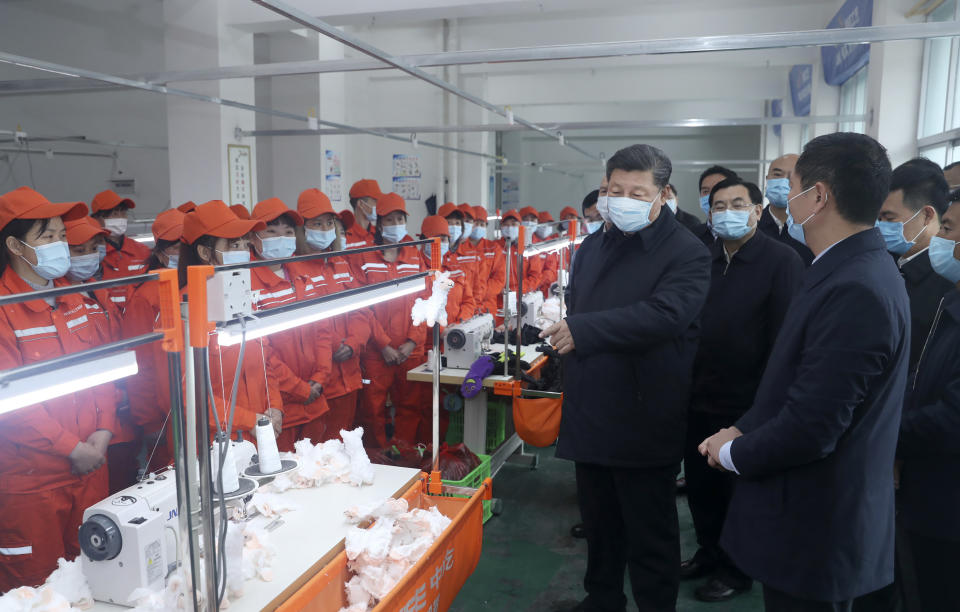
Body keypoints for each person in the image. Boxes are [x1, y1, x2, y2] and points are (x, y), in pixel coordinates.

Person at [700, 133, 909, 612]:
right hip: (810, 518)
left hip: (818, 523)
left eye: (791, 186)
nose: (787, 200)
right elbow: (800, 380)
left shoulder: (858, 288)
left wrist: (734, 452)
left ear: (817, 196)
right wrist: (743, 426)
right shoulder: (841, 268)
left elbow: (814, 426)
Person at [542, 144, 711, 612]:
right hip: (591, 405)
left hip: (643, 412)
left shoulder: (686, 253)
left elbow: (664, 316)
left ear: (661, 196)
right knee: (599, 522)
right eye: (615, 190)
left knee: (649, 530)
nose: (623, 199)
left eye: (637, 192)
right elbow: (580, 310)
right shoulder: (593, 246)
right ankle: (602, 599)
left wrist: (582, 331)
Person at [681, 177, 804, 602]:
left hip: (747, 401)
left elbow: (785, 341)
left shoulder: (781, 261)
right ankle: (708, 552)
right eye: (718, 205)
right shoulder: (705, 258)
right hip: (698, 394)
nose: (727, 211)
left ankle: (736, 570)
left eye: (738, 203)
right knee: (701, 486)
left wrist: (765, 407)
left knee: (737, 492)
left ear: (757, 210)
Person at [0, 187, 114, 591]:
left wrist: (103, 432)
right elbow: (11, 405)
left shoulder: (72, 299)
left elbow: (104, 369)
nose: (59, 245)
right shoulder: (3, 310)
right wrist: (71, 447)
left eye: (61, 235)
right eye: (46, 237)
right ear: (15, 245)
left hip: (91, 467)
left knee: (99, 576)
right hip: (33, 485)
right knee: (38, 589)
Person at [896, 193, 960, 612]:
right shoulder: (951, 301)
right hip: (930, 493)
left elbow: (952, 419)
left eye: (950, 230)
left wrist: (884, 431)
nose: (940, 237)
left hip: (948, 505)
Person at [178, 200, 284, 441]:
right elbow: (190, 396)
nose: (243, 251)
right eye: (233, 244)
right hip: (216, 443)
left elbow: (266, 362)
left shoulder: (245, 299)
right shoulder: (184, 310)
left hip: (261, 432)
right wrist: (251, 420)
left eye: (244, 243)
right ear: (205, 253)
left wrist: (275, 407)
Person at [249, 197, 333, 451]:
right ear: (254, 238)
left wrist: (321, 377)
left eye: (287, 232)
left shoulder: (302, 273)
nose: (281, 237)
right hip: (277, 406)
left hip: (314, 398)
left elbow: (322, 328)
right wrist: (298, 388)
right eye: (271, 232)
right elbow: (261, 352)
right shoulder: (246, 283)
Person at [65, 216, 140, 493]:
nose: (89, 257)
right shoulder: (63, 302)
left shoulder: (99, 291)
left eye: (94, 248)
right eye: (79, 250)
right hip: (92, 429)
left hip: (116, 416)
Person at [296, 188, 370, 437]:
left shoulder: (340, 262)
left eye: (329, 222)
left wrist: (353, 343)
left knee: (344, 447)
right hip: (319, 382)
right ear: (302, 229)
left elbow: (361, 310)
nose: (325, 228)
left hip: (349, 374)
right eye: (317, 223)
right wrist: (333, 349)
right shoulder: (294, 268)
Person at [356, 192, 427, 447]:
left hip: (411, 351)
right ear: (379, 224)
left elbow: (425, 300)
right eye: (390, 220)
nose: (396, 225)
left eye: (400, 219)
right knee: (372, 410)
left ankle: (405, 454)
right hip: (377, 353)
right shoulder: (365, 259)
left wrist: (411, 342)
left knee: (411, 406)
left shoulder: (414, 257)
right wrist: (384, 344)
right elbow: (362, 309)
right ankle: (380, 458)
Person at [123, 208, 186, 475]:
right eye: (177, 247)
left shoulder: (202, 287)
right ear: (160, 253)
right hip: (163, 420)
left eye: (189, 246)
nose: (184, 254)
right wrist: (149, 423)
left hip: (195, 412)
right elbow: (140, 364)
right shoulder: (147, 296)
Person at [876, 157, 953, 371]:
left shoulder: (945, 279)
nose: (881, 226)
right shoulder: (887, 264)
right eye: (879, 217)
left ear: (927, 215)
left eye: (889, 218)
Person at [90, 189, 152, 312]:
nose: (120, 218)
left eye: (123, 213)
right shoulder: (92, 255)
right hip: (108, 319)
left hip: (140, 317)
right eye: (114, 214)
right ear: (97, 219)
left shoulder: (142, 251)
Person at [758, 154, 815, 265]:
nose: (783, 181)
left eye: (792, 176)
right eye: (777, 174)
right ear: (767, 178)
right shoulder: (751, 224)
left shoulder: (813, 227)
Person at [495, 209, 542, 325]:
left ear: (520, 226)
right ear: (500, 227)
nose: (509, 227)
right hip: (498, 303)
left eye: (513, 224)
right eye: (506, 224)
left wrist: (516, 290)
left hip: (522, 300)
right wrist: (499, 289)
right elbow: (489, 276)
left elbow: (535, 276)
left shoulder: (528, 248)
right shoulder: (494, 248)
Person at [437, 202, 477, 316]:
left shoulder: (466, 254)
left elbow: (472, 295)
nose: (454, 227)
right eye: (448, 223)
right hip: (438, 327)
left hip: (462, 321)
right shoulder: (434, 258)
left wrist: (463, 320)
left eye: (457, 223)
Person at [469, 205, 505, 316]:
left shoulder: (493, 248)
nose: (478, 227)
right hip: (465, 307)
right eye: (475, 223)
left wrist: (479, 293)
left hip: (488, 306)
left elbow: (499, 279)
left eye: (482, 224)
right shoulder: (461, 248)